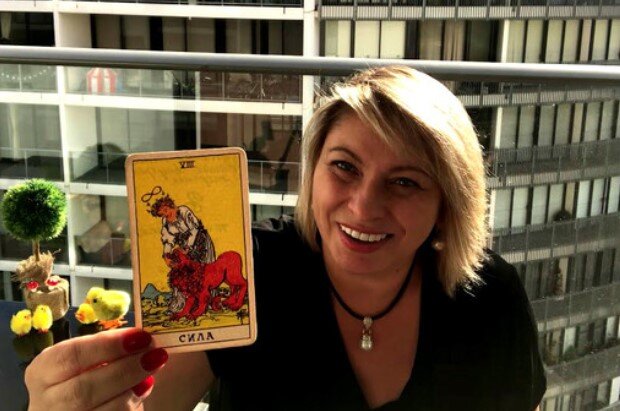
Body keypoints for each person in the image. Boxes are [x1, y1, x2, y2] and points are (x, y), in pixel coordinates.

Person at [24, 66, 546, 411]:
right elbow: (149, 406)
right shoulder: (251, 271)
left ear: (447, 204)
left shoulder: (491, 298)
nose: (364, 205)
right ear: (313, 172)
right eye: (344, 167)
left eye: (405, 182)